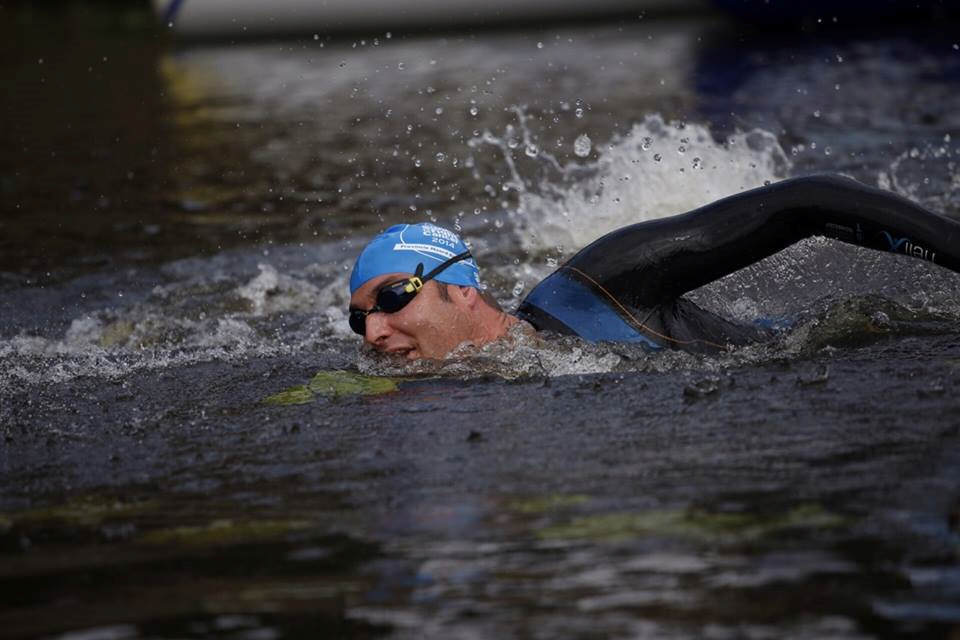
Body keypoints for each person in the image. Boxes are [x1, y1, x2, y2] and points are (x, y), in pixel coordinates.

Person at [348, 174, 960, 360]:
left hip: (855, 347)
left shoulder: (598, 285)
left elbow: (804, 203)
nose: (375, 332)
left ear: (462, 290)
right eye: (361, 320)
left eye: (395, 296)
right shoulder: (426, 395)